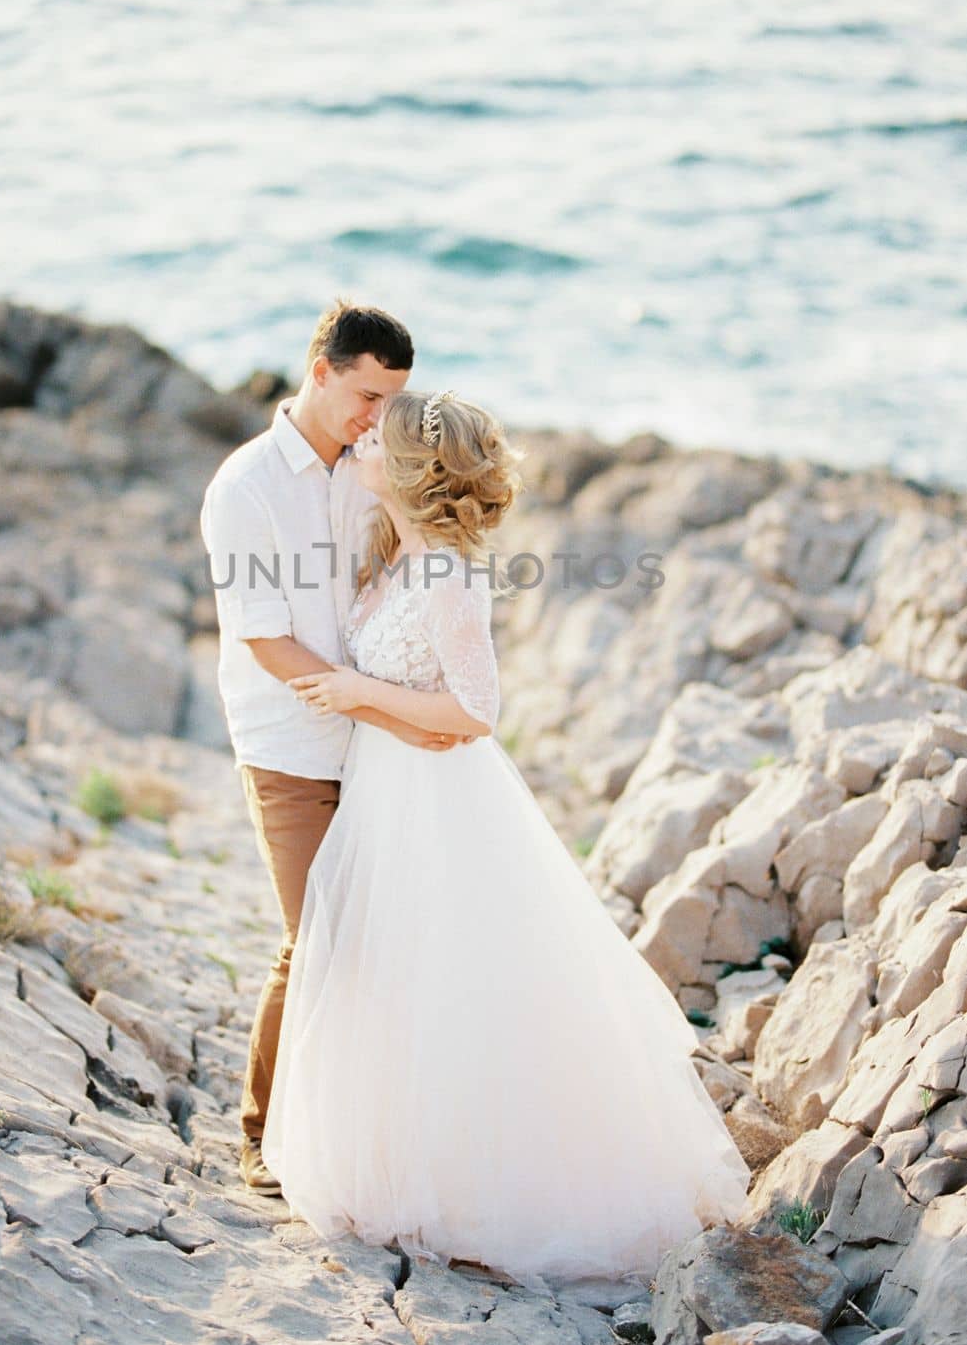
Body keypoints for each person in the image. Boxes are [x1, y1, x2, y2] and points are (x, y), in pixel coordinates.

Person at [260, 388, 753, 1287]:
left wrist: (359, 694)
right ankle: (405, 1163)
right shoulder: (392, 556)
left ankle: (479, 1189)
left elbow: (476, 712)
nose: (362, 438)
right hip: (387, 787)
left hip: (441, 798)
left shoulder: (447, 575)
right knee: (396, 975)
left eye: (377, 436)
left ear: (408, 469)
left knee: (456, 979)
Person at [199, 303, 476, 1198]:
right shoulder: (245, 488)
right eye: (365, 395)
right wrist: (371, 706)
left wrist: (396, 711)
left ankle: (354, 1130)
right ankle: (260, 1134)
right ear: (319, 370)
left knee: (376, 943)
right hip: (291, 742)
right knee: (312, 939)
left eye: (390, 401)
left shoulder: (370, 472)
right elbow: (264, 640)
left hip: (381, 748)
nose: (375, 418)